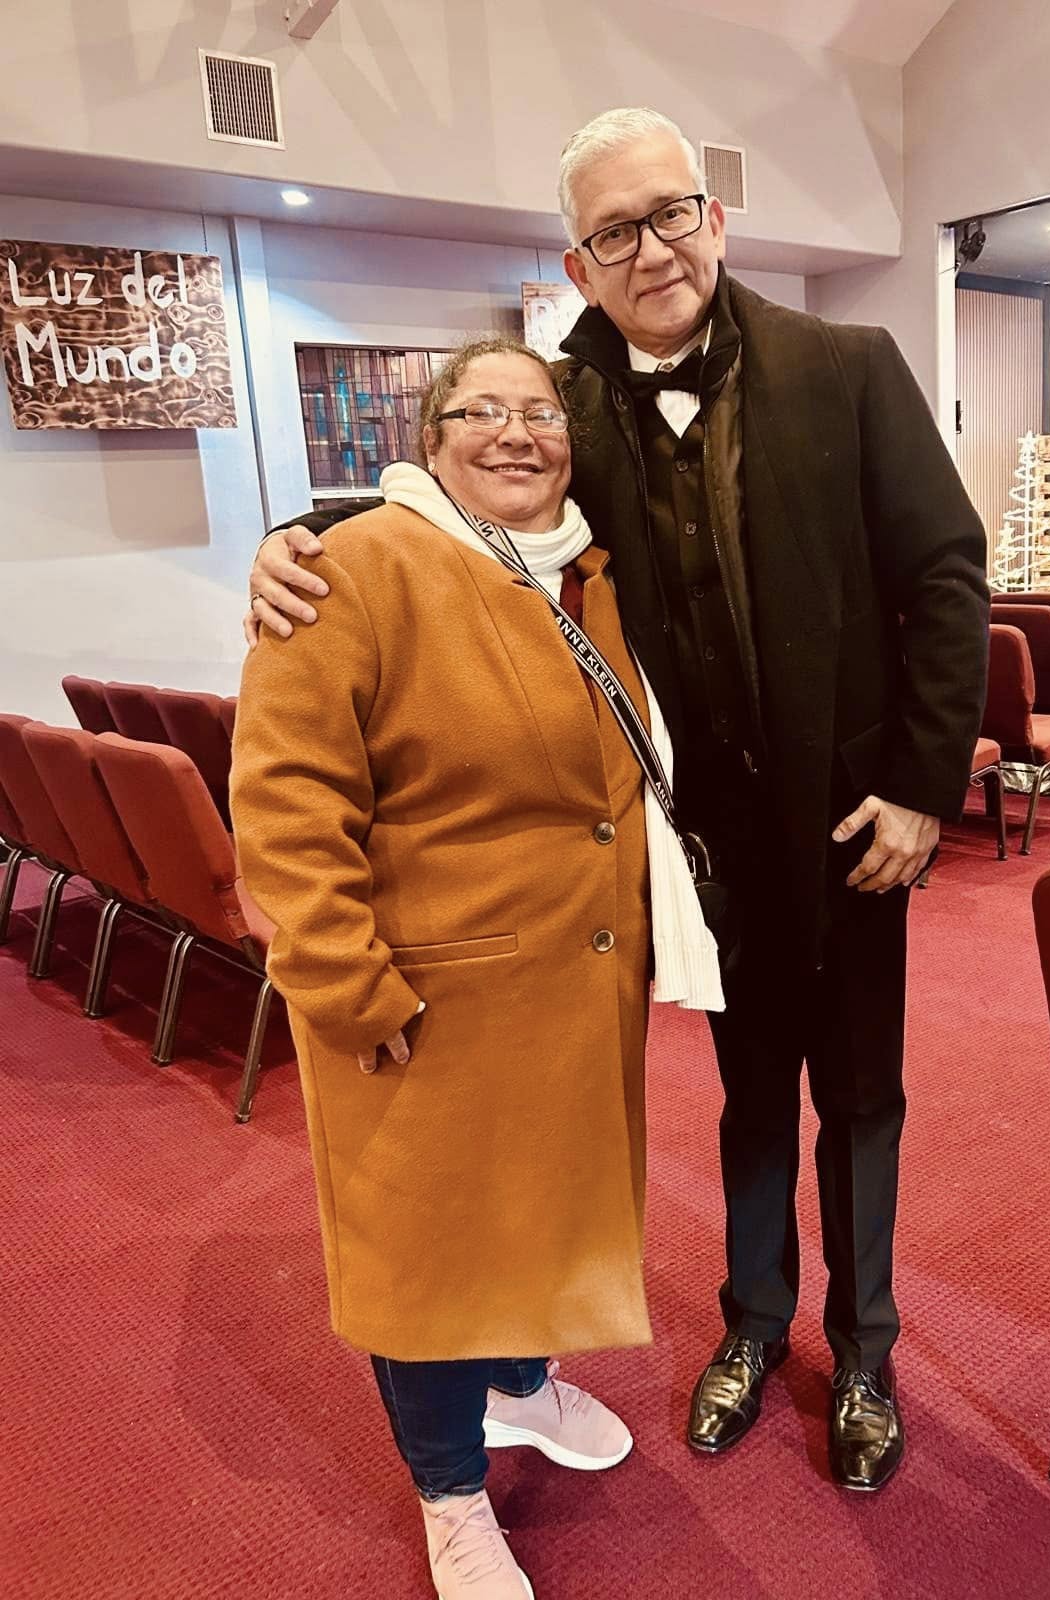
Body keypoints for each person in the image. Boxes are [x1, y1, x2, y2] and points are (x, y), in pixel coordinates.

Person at [245, 107, 990, 1494]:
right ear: (577, 264)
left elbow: (946, 575)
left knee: (862, 1099)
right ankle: (753, 1325)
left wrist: (917, 787)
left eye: (669, 214)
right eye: (612, 233)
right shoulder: (566, 399)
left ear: (715, 218)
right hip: (696, 851)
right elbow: (459, 498)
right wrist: (298, 538)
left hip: (853, 829)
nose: (650, 250)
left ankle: (866, 1353)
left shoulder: (851, 364)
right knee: (748, 1100)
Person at [231, 335, 721, 1600]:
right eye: (481, 410)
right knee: (432, 1258)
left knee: (537, 1213)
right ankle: (451, 1496)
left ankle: (521, 1382)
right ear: (430, 436)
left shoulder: (589, 572)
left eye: (541, 413)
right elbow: (284, 811)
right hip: (423, 997)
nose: (515, 432)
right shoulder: (353, 572)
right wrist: (349, 988)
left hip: (571, 983)